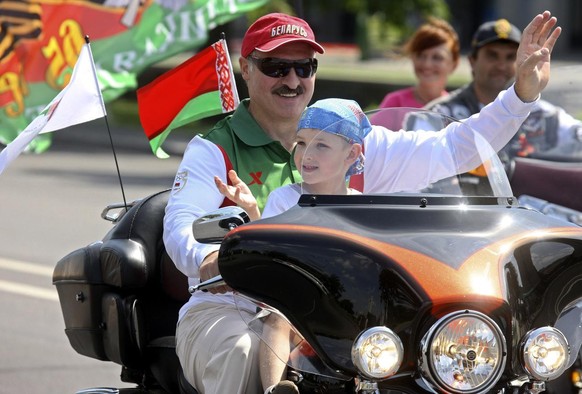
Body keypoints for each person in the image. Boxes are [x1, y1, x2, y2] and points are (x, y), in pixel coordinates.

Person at [163, 10, 561, 394]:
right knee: (244, 351)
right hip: (235, 303)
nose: (292, 79)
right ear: (245, 68)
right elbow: (183, 227)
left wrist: (520, 95)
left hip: (342, 311)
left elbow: (455, 148)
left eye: (305, 68)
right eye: (276, 67)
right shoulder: (214, 150)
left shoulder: (353, 143)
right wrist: (211, 257)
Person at [214, 98, 371, 394]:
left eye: (321, 145)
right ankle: (275, 388)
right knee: (279, 317)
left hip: (344, 306)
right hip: (297, 304)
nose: (306, 155)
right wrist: (255, 217)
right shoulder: (285, 199)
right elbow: (269, 252)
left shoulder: (360, 205)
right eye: (301, 143)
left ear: (352, 154)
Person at [422, 17, 582, 160]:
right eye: (492, 55)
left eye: (511, 57)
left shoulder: (544, 116)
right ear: (472, 61)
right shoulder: (440, 114)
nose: (501, 65)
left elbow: (577, 135)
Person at [379, 17, 460, 109]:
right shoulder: (395, 103)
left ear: (454, 64)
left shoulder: (457, 109)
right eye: (421, 55)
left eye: (437, 57)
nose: (427, 64)